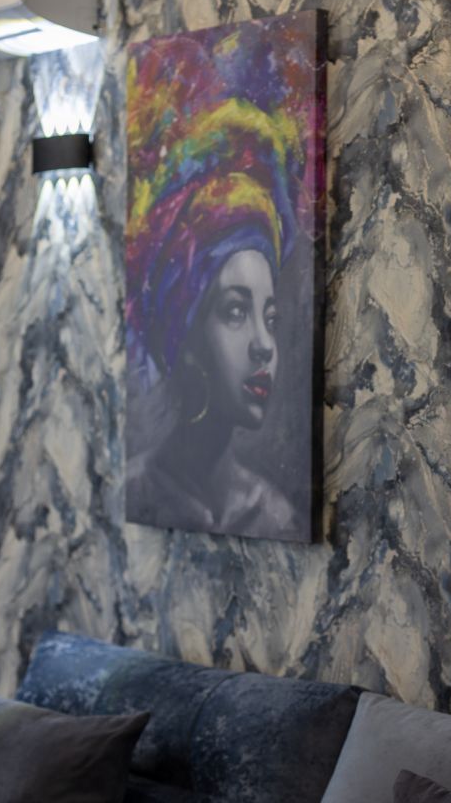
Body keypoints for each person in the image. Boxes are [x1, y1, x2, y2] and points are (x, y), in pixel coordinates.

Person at [124, 28, 316, 539]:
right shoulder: (136, 493)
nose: (264, 345)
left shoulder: (277, 518)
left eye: (270, 318)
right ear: (184, 335)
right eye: (235, 311)